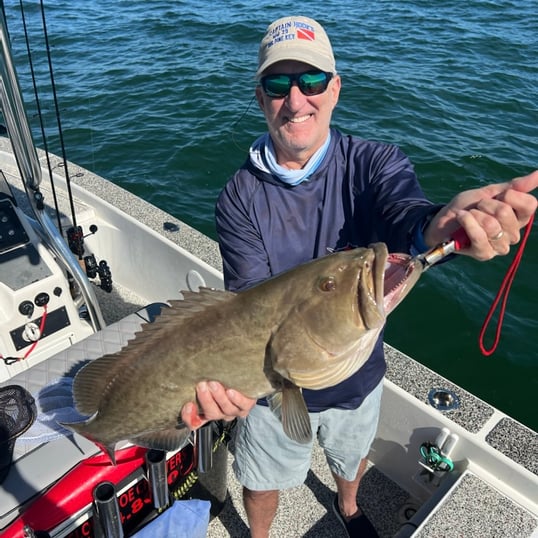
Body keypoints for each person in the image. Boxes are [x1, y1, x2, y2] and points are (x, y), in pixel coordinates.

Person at [179, 15, 538, 538]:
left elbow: (409, 217)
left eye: (313, 81)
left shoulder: (374, 163)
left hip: (358, 376)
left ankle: (348, 509)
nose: (297, 99)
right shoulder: (239, 197)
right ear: (260, 97)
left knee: (352, 458)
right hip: (272, 389)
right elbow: (249, 307)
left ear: (336, 88)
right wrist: (225, 386)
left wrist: (440, 225)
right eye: (279, 84)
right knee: (261, 480)